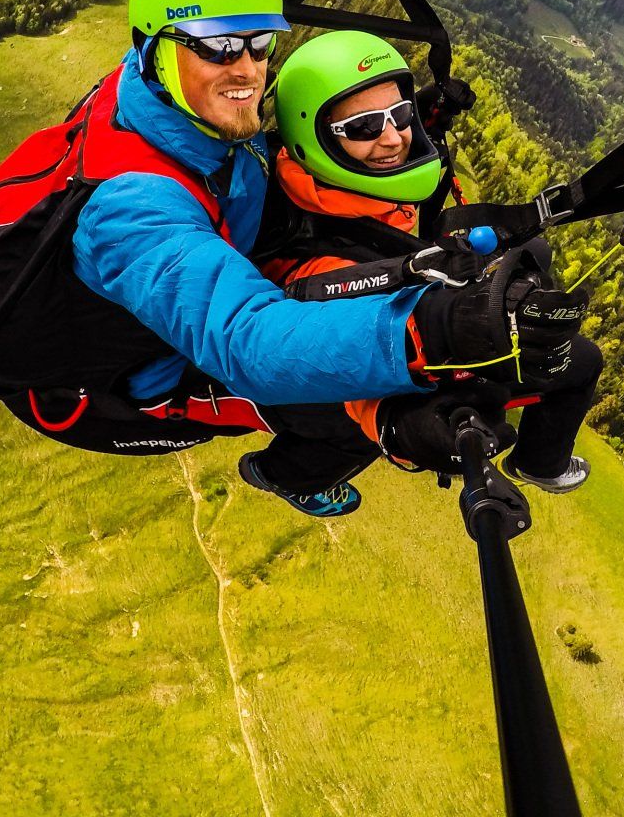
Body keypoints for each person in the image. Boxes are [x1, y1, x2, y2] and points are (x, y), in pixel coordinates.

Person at [0, 0, 530, 516]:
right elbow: (248, 342)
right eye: (223, 50)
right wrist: (424, 333)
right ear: (156, 52)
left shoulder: (163, 77)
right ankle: (298, 473)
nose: (250, 69)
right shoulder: (132, 209)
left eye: (259, 44)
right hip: (138, 388)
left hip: (228, 231)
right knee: (347, 382)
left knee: (366, 228)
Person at [257, 29, 602, 498]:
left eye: (401, 115)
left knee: (543, 276)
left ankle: (540, 458)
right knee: (582, 361)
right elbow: (347, 344)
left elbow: (386, 151)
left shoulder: (353, 187)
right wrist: (398, 429)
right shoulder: (322, 260)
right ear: (313, 139)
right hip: (332, 384)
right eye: (363, 127)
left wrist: (429, 121)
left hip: (392, 283)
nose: (394, 138)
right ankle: (286, 478)